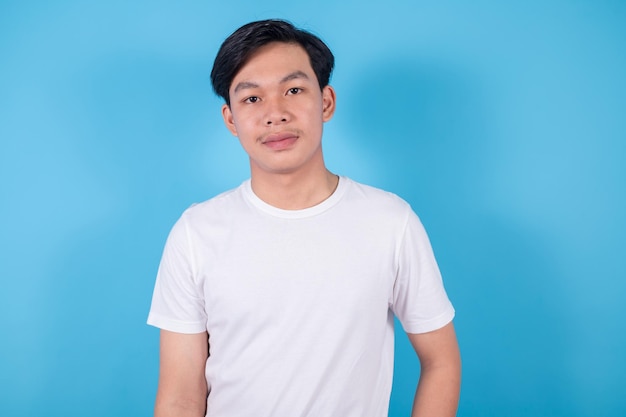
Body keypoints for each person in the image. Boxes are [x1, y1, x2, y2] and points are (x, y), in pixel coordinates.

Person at [148, 19, 461, 417]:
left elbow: (441, 361)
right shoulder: (196, 233)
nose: (275, 114)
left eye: (293, 90)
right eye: (252, 99)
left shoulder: (390, 222)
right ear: (230, 119)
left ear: (326, 102)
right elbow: (180, 394)